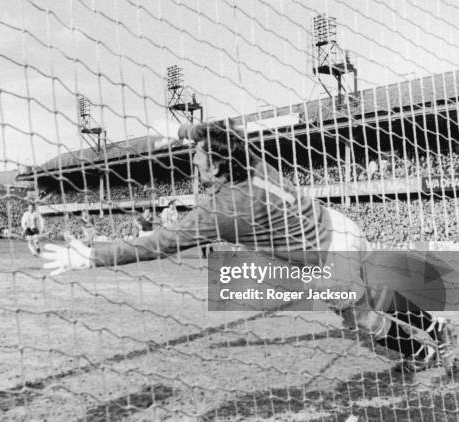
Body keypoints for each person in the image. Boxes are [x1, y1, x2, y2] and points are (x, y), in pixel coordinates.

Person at [41, 120, 457, 374]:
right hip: (340, 227)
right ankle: (439, 329)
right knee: (376, 296)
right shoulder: (252, 158)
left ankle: (422, 352)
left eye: (200, 155)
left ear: (219, 163)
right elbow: (221, 133)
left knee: (362, 319)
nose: (195, 160)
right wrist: (187, 131)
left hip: (327, 258)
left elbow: (161, 243)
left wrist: (93, 255)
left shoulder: (224, 209)